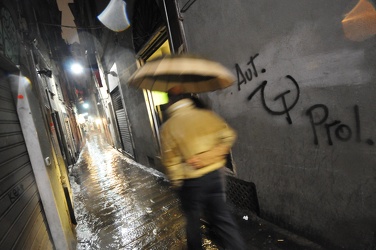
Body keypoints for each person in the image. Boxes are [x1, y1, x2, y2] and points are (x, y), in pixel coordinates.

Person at [160, 86, 245, 250]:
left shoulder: (168, 127)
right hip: (214, 177)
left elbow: (171, 162)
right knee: (223, 220)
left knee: (193, 221)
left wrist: (177, 183)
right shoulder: (206, 116)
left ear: (170, 101)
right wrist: (212, 156)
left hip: (190, 183)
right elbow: (229, 136)